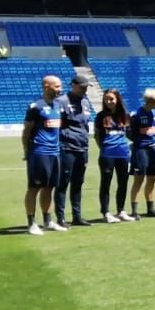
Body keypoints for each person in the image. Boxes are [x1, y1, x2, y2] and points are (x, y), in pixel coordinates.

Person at [22, 75, 69, 235]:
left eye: (60, 86)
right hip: (39, 152)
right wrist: (27, 151)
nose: (60, 89)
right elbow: (26, 132)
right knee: (34, 188)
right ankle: (31, 223)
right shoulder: (36, 107)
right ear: (46, 86)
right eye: (56, 86)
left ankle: (48, 221)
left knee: (49, 188)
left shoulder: (58, 105)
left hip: (55, 152)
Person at [54, 75, 93, 227]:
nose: (84, 89)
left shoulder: (85, 102)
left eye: (86, 87)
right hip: (67, 147)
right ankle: (60, 217)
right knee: (63, 183)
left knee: (78, 183)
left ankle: (77, 216)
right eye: (82, 86)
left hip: (82, 147)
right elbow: (57, 124)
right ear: (73, 85)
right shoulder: (61, 101)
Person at [94, 88, 131, 223]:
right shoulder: (100, 116)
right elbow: (97, 136)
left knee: (123, 183)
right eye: (106, 99)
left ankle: (121, 211)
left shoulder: (125, 116)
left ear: (117, 99)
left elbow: (129, 133)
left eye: (111, 99)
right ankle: (106, 212)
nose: (109, 101)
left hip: (123, 153)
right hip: (107, 154)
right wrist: (104, 148)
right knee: (106, 183)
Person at [128, 88, 155, 218]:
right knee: (139, 179)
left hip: (153, 148)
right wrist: (137, 141)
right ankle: (134, 210)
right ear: (151, 101)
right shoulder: (137, 114)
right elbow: (129, 131)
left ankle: (150, 208)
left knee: (152, 178)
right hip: (141, 149)